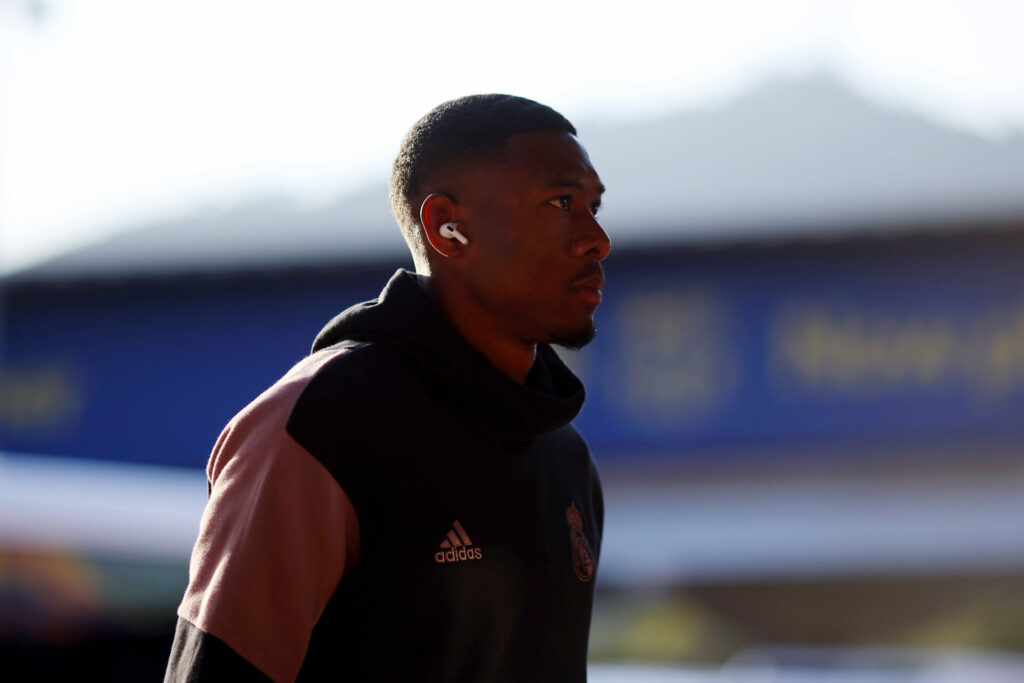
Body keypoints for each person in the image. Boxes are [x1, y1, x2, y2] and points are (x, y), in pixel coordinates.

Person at [164, 94, 611, 682]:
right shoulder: (320, 425)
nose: (596, 239)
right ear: (447, 229)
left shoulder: (564, 455)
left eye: (593, 206)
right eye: (560, 203)